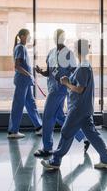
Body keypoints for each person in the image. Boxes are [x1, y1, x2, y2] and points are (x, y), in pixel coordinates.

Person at [41, 39, 107, 170]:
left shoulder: (83, 68)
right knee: (92, 135)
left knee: (66, 132)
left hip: (78, 108)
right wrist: (69, 81)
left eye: (74, 47)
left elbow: (80, 89)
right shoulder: (84, 65)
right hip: (84, 108)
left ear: (77, 49)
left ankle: (55, 161)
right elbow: (80, 86)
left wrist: (66, 83)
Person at [34, 29, 89, 157]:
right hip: (52, 88)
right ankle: (85, 137)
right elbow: (49, 72)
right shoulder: (51, 53)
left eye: (59, 36)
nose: (57, 38)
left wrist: (69, 84)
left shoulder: (69, 54)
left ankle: (47, 148)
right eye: (55, 36)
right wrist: (41, 72)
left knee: (47, 116)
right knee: (60, 117)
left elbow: (75, 72)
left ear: (63, 38)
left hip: (60, 89)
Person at [8, 28, 42, 139]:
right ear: (22, 36)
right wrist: (28, 74)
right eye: (28, 36)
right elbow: (17, 66)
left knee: (31, 104)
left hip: (25, 81)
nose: (30, 37)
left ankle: (39, 127)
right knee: (18, 105)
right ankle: (13, 131)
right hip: (23, 80)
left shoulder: (22, 47)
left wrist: (33, 45)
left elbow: (24, 53)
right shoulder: (20, 48)